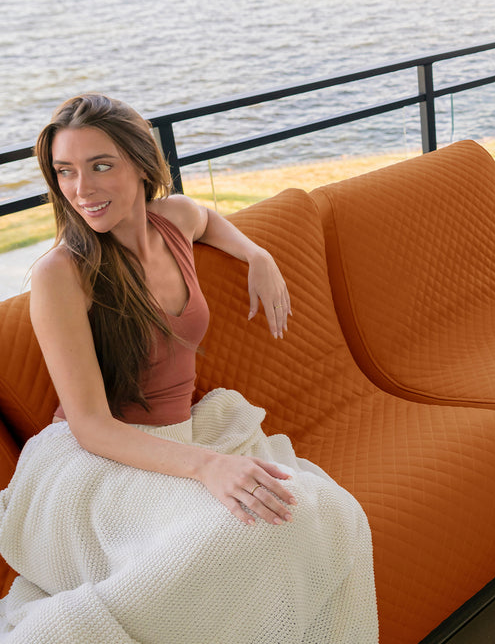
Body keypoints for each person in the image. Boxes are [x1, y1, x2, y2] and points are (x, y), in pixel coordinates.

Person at [0, 94, 378, 642]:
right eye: (65, 171)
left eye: (101, 165)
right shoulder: (63, 274)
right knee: (262, 528)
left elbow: (206, 218)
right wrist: (207, 467)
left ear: (142, 165)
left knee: (329, 514)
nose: (81, 189)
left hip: (183, 438)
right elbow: (91, 426)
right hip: (100, 464)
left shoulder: (172, 220)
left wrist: (257, 254)